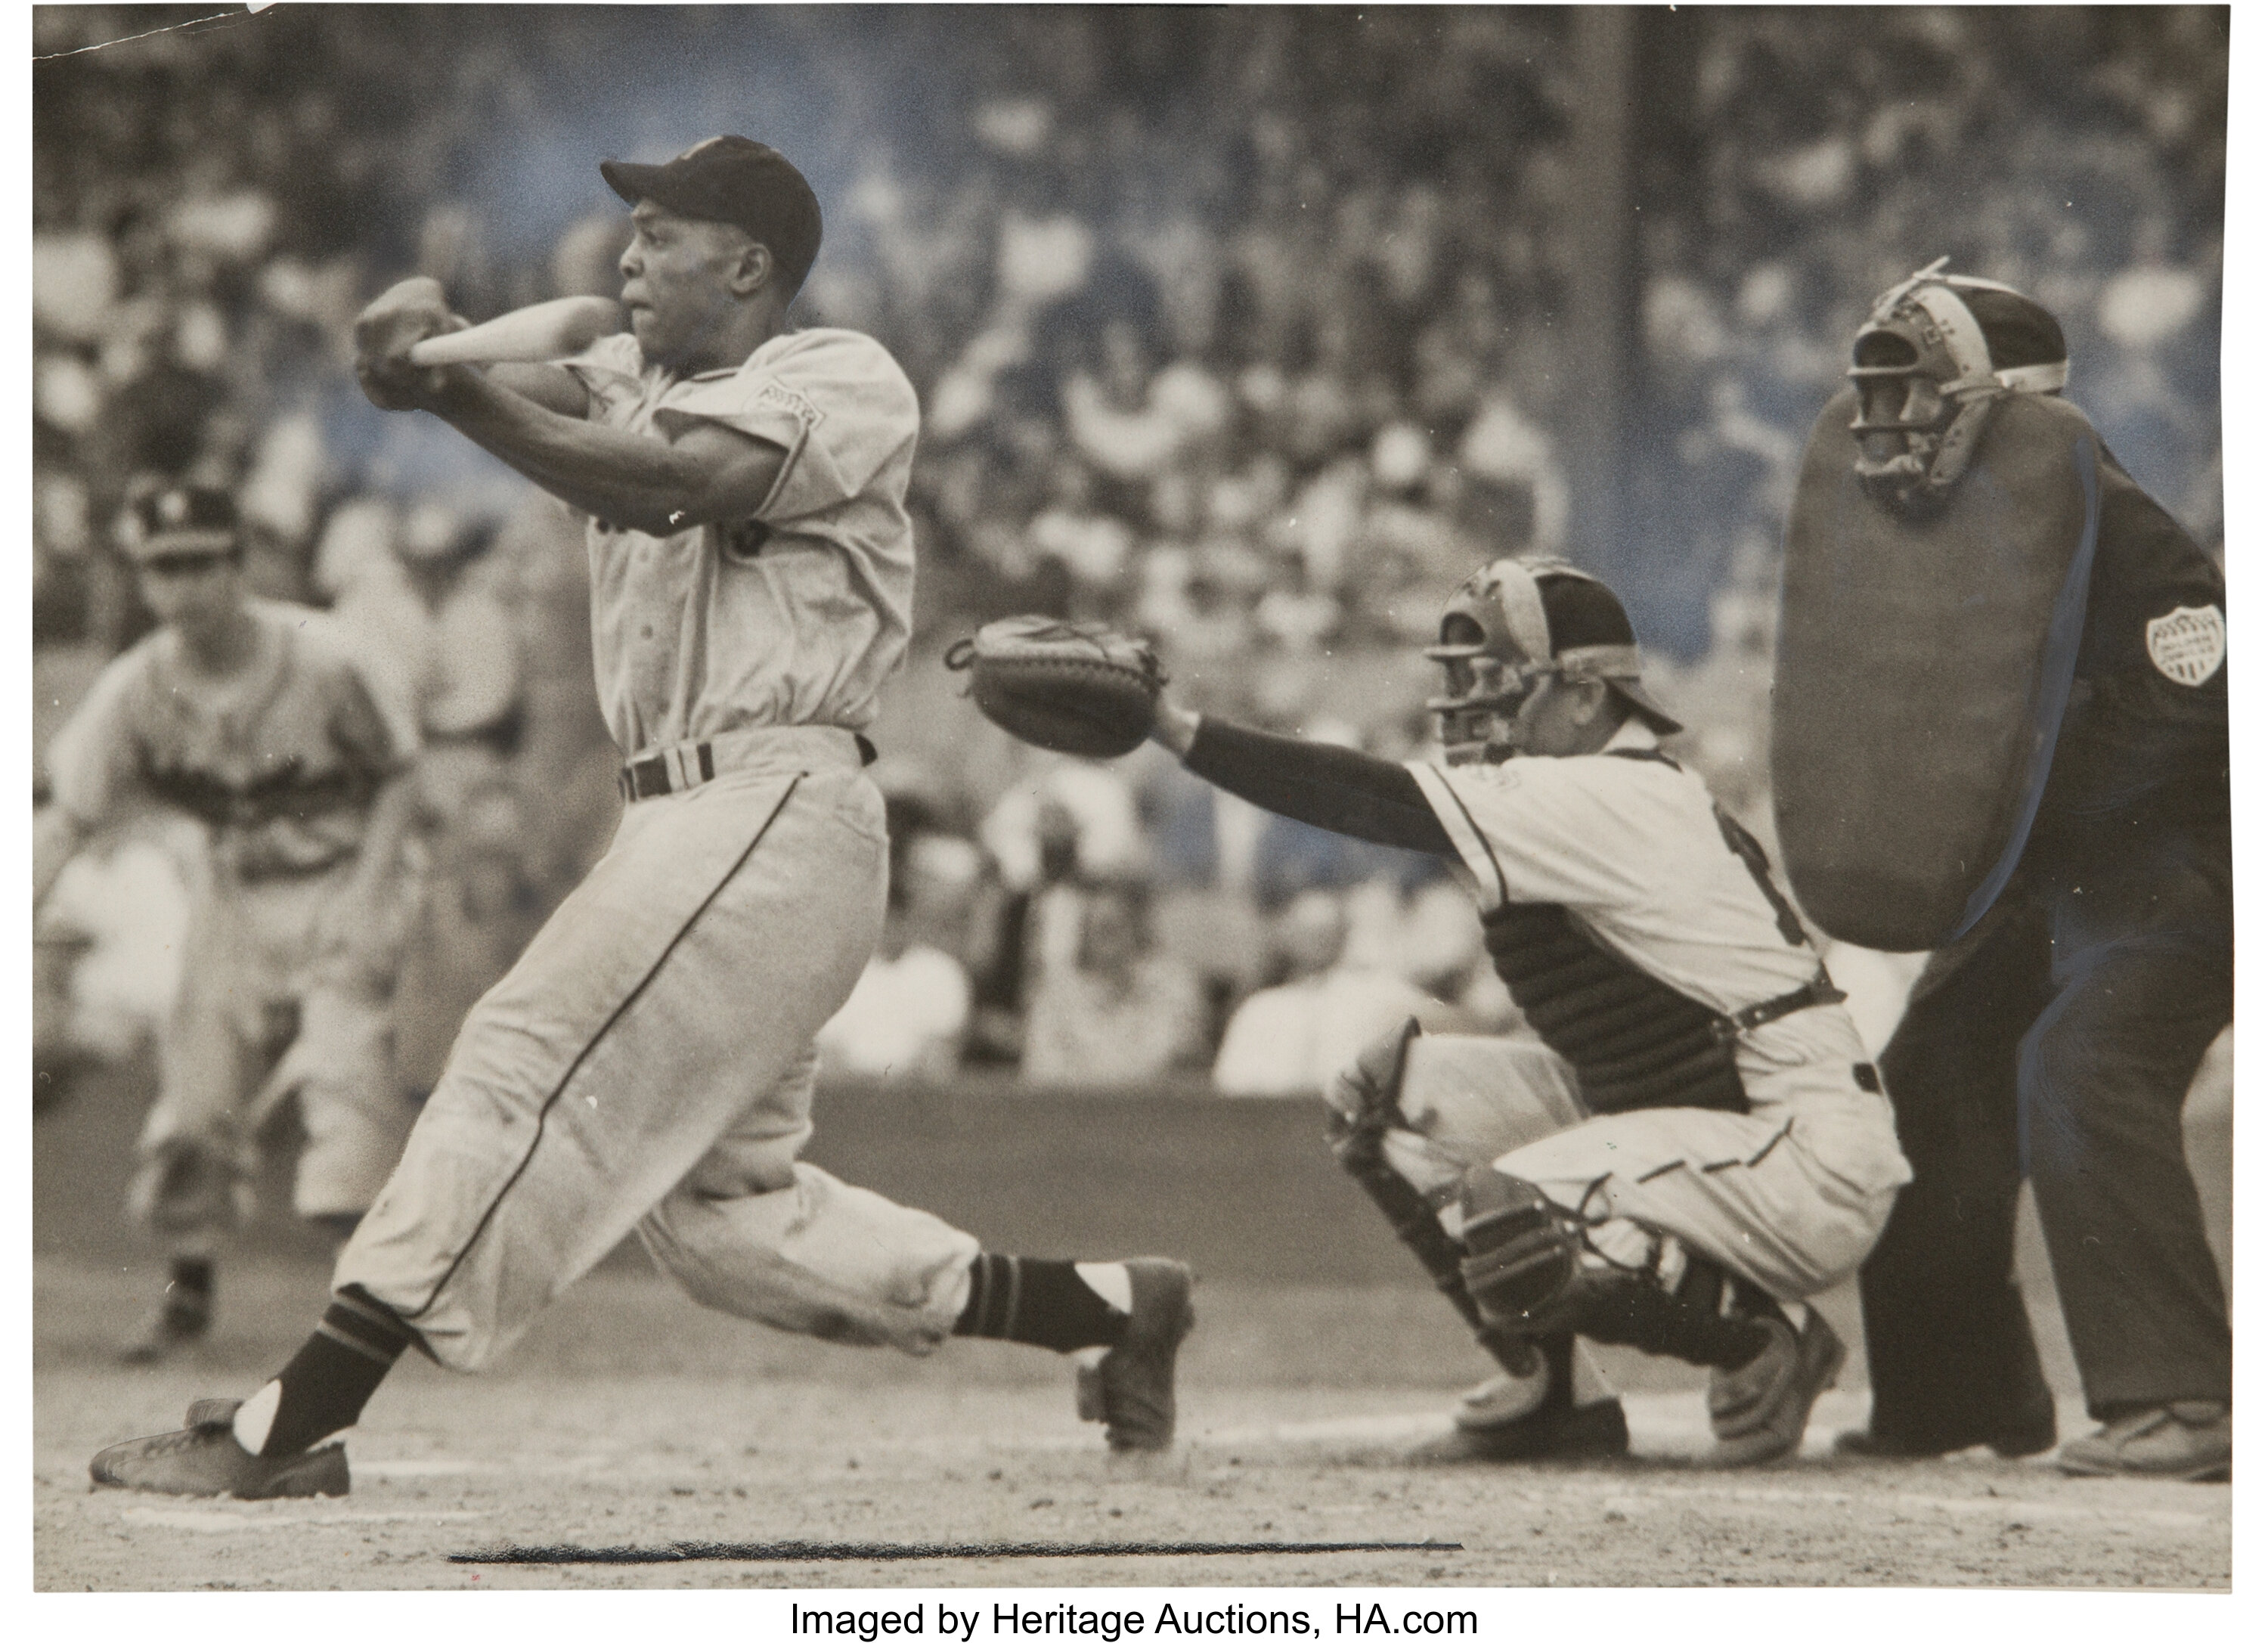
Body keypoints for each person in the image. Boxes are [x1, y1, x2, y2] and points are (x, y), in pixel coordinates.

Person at [89, 136, 1192, 1502]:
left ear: (749, 263)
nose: (627, 253)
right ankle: (1109, 1306)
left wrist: (448, 399)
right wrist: (422, 340)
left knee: (519, 1048)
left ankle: (289, 1420)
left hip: (774, 800)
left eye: (662, 231)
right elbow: (547, 386)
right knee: (729, 1219)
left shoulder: (839, 376)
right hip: (698, 821)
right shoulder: (633, 375)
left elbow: (668, 481)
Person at [1145, 556, 1910, 1465]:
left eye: (1504, 683)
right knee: (1382, 1094)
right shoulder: (1589, 783)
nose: (1474, 704)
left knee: (1517, 1201)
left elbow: (1370, 799)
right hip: (1704, 1121)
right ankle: (1553, 1391)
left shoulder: (1607, 788)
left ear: (1586, 698)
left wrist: (1173, 728)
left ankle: (1761, 1341)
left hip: (1799, 1152)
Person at [1816, 272, 2232, 1481]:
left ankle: (2185, 1399)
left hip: (2181, 874)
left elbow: (2197, 711)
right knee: (1930, 1076)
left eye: (1915, 385)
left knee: (2083, 1063)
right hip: (2057, 877)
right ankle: (1960, 1397)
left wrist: (2021, 808)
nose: (1887, 412)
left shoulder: (2124, 524)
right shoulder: (1949, 540)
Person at [33, 484, 425, 1363]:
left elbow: (401, 770)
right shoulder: (136, 685)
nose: (182, 586)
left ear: (237, 564)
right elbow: (68, 817)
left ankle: (368, 1321)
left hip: (342, 875)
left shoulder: (324, 656)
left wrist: (369, 894)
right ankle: (189, 1295)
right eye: (162, 568)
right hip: (234, 892)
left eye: (199, 562)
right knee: (193, 1108)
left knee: (346, 1090)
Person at [1211, 888, 1458, 1097]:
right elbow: (1232, 1090)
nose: (1317, 942)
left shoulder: (1381, 995)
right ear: (1288, 935)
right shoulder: (1261, 1009)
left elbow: (1445, 1019)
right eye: (1308, 931)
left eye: (1326, 931)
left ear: (1344, 934)